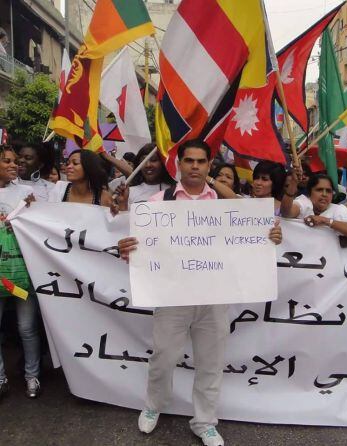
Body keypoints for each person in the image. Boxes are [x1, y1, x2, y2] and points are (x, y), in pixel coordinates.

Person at [118, 139, 282, 446]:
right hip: (172, 297)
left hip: (214, 298)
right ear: (179, 164)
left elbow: (256, 236)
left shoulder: (226, 205)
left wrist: (272, 235)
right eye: (189, 160)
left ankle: (205, 421)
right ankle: (154, 405)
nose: (194, 166)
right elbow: (139, 246)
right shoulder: (157, 204)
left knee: (211, 361)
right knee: (164, 356)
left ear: (209, 166)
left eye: (200, 161)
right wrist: (127, 249)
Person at [0, 146, 41, 399]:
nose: (14, 165)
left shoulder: (27, 192)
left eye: (15, 161)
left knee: (27, 328)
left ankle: (32, 376)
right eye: (7, 161)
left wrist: (32, 210)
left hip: (22, 273)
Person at [281, 173, 347, 240]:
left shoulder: (338, 209)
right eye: (319, 190)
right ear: (309, 193)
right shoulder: (304, 203)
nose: (324, 194)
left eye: (328, 191)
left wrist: (326, 221)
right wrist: (293, 184)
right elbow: (286, 212)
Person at [48, 150, 112, 206]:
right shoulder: (60, 189)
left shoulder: (104, 198)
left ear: (89, 167)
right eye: (68, 163)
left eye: (75, 163)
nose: (69, 167)